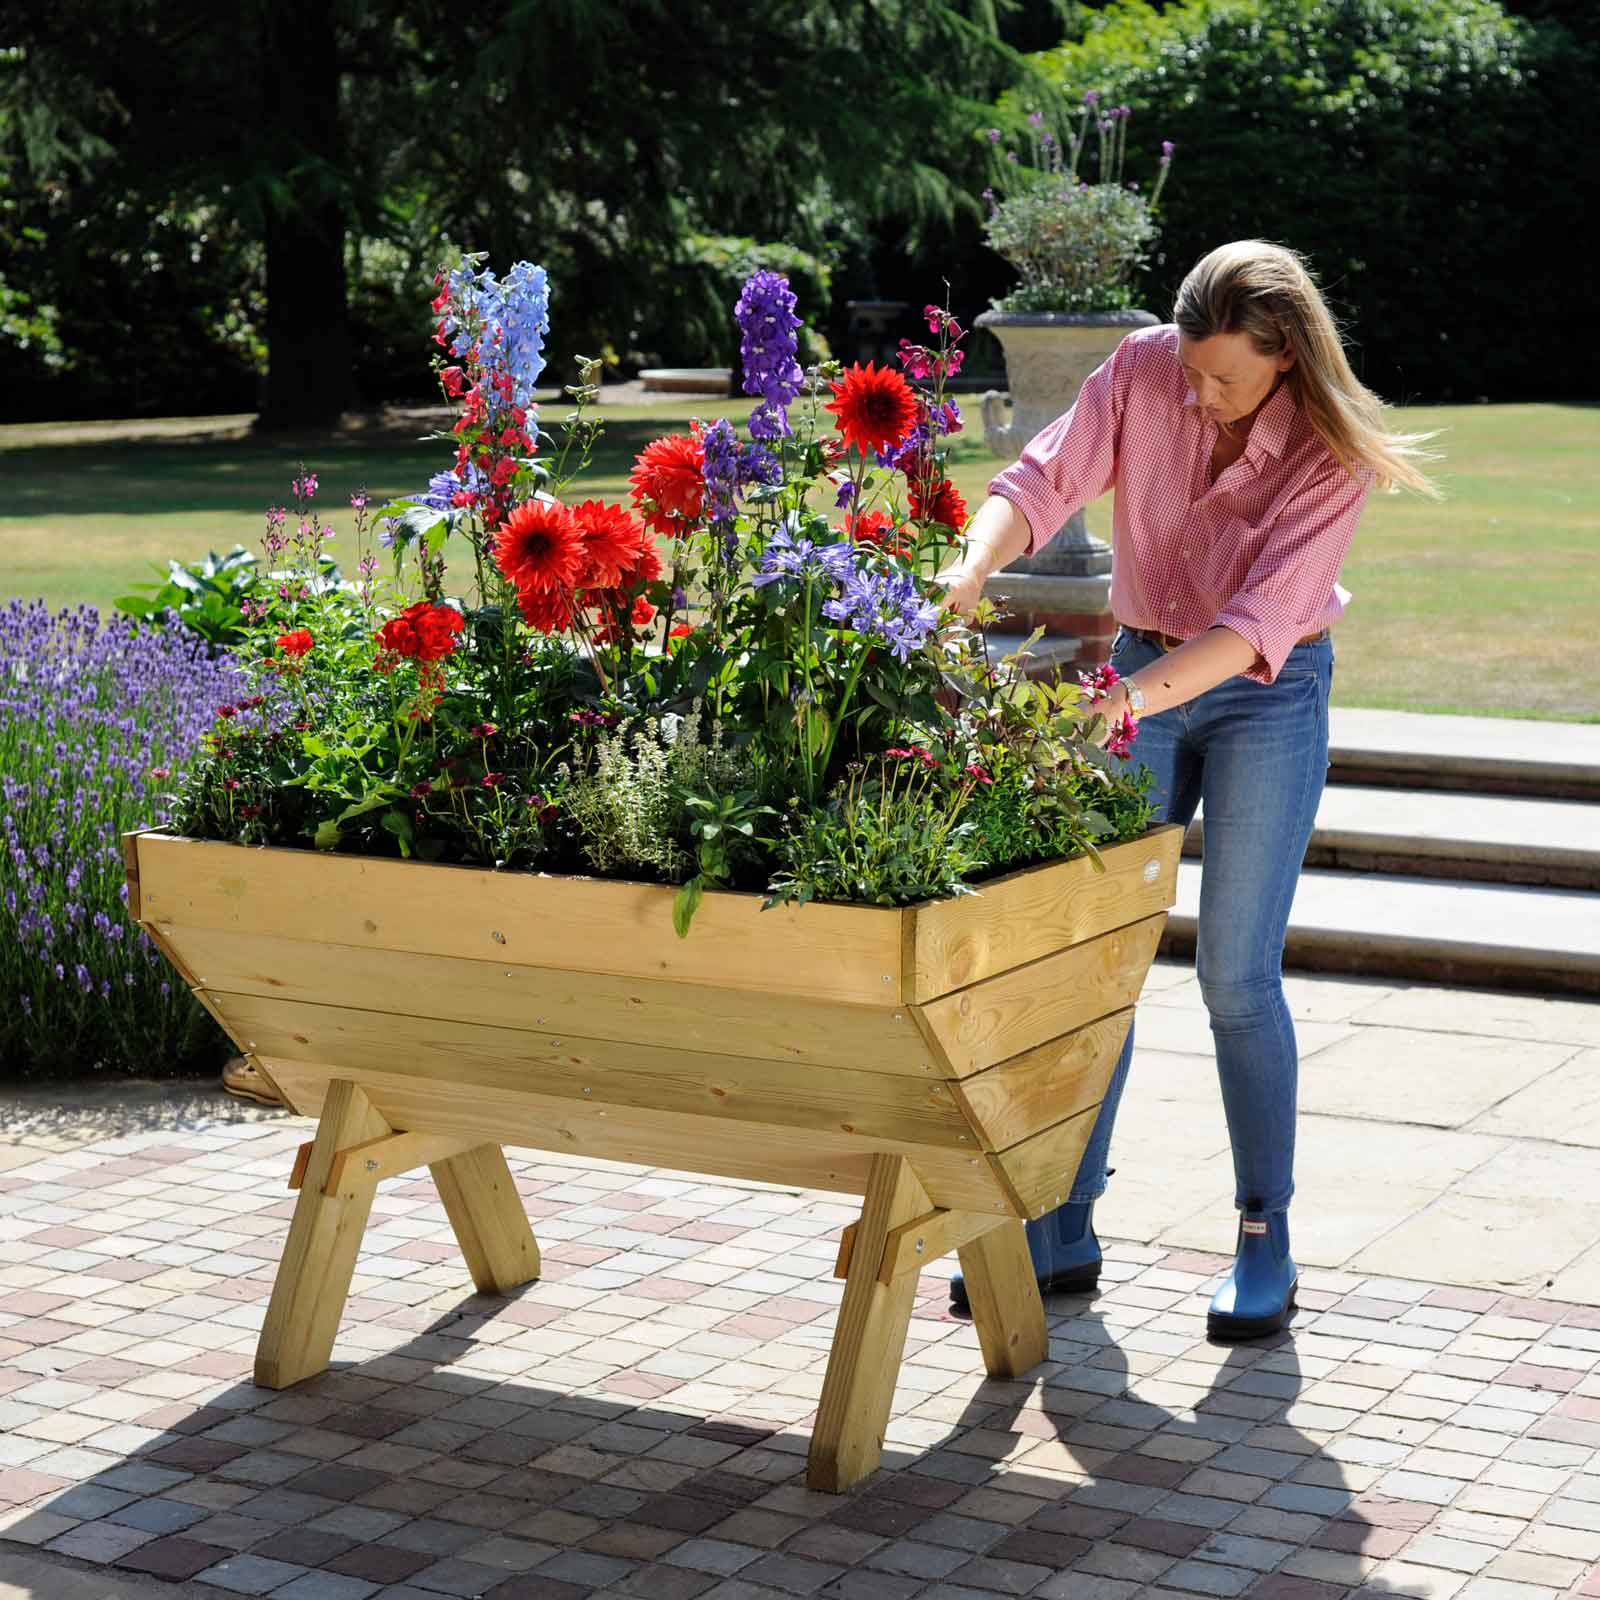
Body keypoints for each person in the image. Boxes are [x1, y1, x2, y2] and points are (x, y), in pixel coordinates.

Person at [937, 240, 1439, 1340]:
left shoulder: (1327, 450)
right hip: (1141, 659)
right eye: (1192, 369)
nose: (1198, 393)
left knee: (1234, 978)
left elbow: (1260, 623)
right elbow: (1042, 478)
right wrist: (972, 565)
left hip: (1266, 691)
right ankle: (1062, 1221)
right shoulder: (1141, 368)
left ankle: (1266, 1235)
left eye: (1225, 379)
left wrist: (1121, 704)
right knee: (1099, 962)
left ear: (1283, 359)